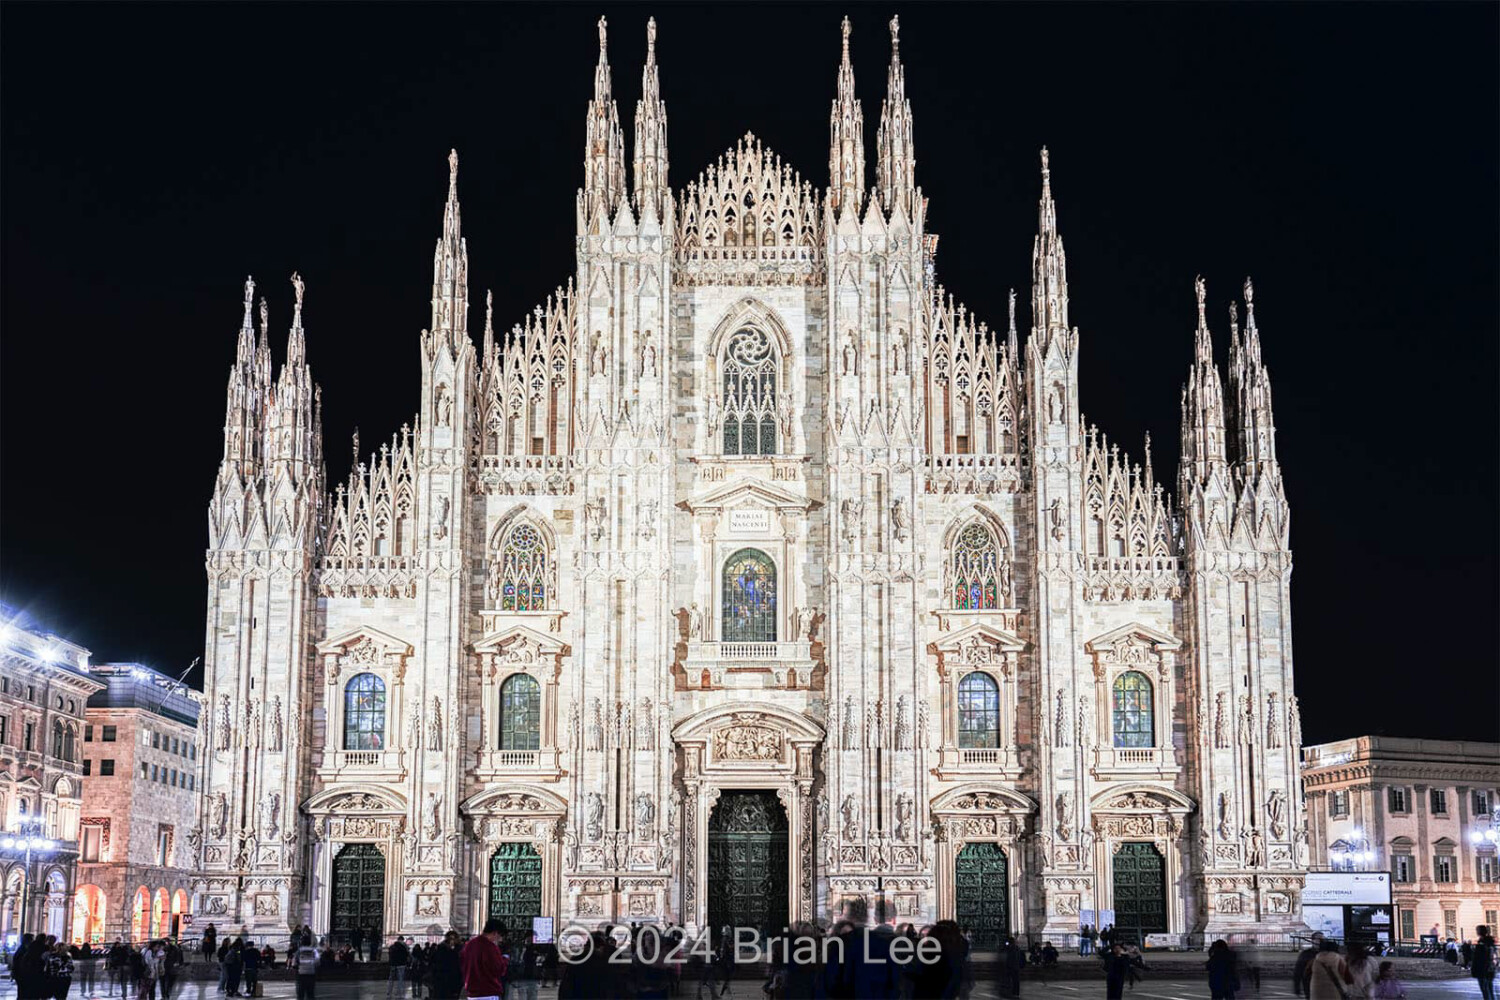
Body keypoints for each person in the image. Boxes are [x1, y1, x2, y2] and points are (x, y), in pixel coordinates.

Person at [461, 919, 508, 1000]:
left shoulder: (469, 945)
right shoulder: (491, 947)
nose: (500, 940)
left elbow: (462, 965)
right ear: (495, 933)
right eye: (500, 937)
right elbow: (498, 969)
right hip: (488, 991)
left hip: (472, 992)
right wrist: (505, 959)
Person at [505, 931, 540, 1000]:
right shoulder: (521, 948)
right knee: (523, 994)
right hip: (523, 976)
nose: (532, 940)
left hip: (532, 976)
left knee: (532, 994)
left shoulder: (536, 948)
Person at [1474, 925, 1497, 1000]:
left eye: (1477, 930)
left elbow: (1479, 957)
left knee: (1485, 988)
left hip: (1483, 968)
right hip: (1490, 967)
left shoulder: (1482, 943)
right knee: (1489, 988)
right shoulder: (1490, 942)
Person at [293, 935, 319, 1000]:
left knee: (300, 994)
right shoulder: (314, 950)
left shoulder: (299, 951)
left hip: (301, 974)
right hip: (311, 974)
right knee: (310, 994)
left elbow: (294, 963)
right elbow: (317, 961)